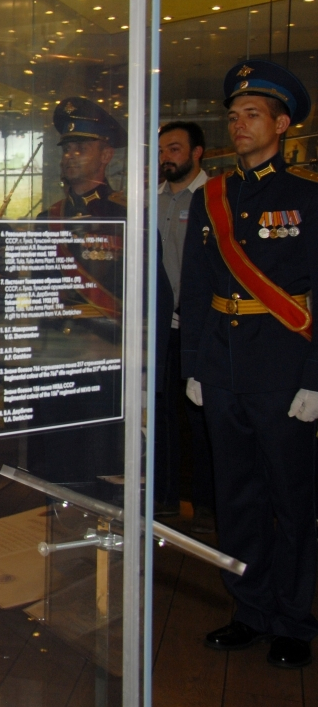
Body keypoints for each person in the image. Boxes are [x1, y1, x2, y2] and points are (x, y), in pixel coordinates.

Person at [182, 59, 318, 670]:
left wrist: (316, 378)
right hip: (222, 367)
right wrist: (194, 364)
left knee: (291, 499)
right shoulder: (211, 197)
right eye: (234, 115)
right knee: (235, 497)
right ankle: (250, 609)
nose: (239, 124)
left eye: (253, 114)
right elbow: (195, 289)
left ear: (282, 124)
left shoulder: (307, 198)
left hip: (285, 370)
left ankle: (293, 619)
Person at [28, 98, 127, 493]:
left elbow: (148, 295)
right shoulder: (47, 219)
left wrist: (126, 352)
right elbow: (38, 292)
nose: (70, 155)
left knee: (99, 470)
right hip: (55, 360)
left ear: (106, 154)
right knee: (54, 469)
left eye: (81, 147)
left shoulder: (126, 216)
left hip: (105, 362)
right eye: (67, 147)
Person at [155, 121, 211, 528]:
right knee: (162, 416)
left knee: (203, 419)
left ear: (197, 153)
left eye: (174, 149)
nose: (166, 158)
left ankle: (207, 505)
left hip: (204, 328)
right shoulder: (149, 202)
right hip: (160, 328)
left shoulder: (217, 199)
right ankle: (165, 497)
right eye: (161, 151)